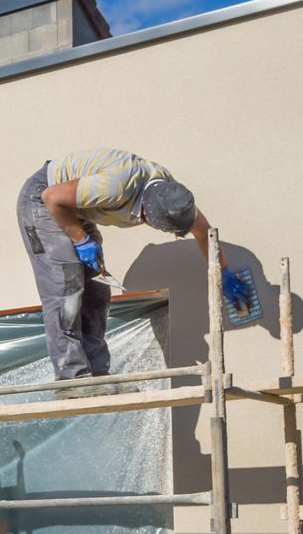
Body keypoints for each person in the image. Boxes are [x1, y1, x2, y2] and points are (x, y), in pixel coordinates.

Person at [17, 148, 251, 380]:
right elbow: (53, 197)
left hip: (77, 208)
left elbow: (204, 235)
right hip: (43, 199)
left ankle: (97, 375)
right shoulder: (116, 188)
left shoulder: (174, 199)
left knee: (96, 291)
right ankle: (72, 377)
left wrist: (224, 271)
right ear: (148, 215)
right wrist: (81, 240)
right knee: (65, 287)